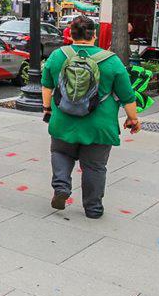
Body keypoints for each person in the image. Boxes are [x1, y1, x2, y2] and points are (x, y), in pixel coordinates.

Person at [42, 16, 141, 219]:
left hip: (63, 120)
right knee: (95, 166)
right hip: (99, 124)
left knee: (60, 153)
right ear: (94, 35)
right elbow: (127, 95)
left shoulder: (57, 56)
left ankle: (61, 187)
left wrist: (47, 109)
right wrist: (133, 118)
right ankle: (93, 208)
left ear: (70, 34)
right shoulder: (111, 60)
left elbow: (47, 85)